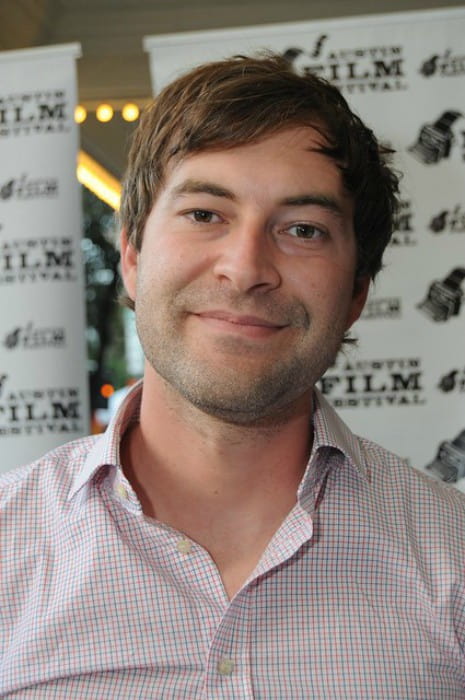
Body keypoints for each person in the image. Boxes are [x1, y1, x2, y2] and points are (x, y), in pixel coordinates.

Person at [1, 53, 465, 699]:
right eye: (204, 215)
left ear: (356, 291)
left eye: (302, 229)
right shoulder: (8, 547)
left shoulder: (452, 556)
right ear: (132, 256)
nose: (245, 267)